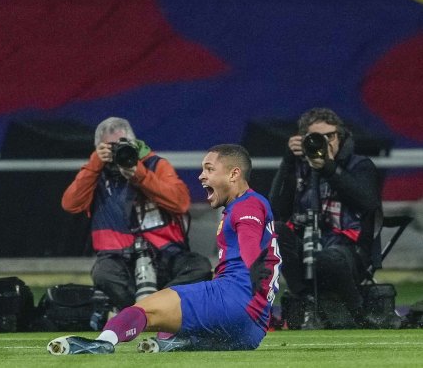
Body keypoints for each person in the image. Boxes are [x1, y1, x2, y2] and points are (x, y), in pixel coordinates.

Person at [48, 144, 281, 354]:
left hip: (233, 300)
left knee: (142, 311)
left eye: (209, 169)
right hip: (253, 328)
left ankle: (103, 343)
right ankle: (177, 342)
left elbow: (250, 248)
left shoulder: (245, 207)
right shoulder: (254, 202)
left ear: (233, 174)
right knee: (166, 329)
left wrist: (252, 274)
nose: (201, 175)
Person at [61, 117, 212, 311]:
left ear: (133, 143)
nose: (118, 151)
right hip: (118, 257)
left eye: (123, 145)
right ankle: (139, 313)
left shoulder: (155, 165)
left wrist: (140, 175)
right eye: (110, 147)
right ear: (99, 148)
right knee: (103, 274)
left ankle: (158, 309)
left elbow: (180, 202)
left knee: (200, 268)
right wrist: (95, 163)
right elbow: (71, 204)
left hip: (165, 253)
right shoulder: (95, 172)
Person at [268, 107, 382, 329]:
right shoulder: (298, 167)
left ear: (340, 136)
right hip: (305, 247)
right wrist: (288, 162)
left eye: (331, 136)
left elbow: (368, 204)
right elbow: (274, 208)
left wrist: (329, 168)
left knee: (328, 258)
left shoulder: (359, 165)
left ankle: (358, 312)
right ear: (304, 140)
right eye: (318, 138)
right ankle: (305, 299)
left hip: (348, 250)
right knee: (276, 230)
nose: (327, 142)